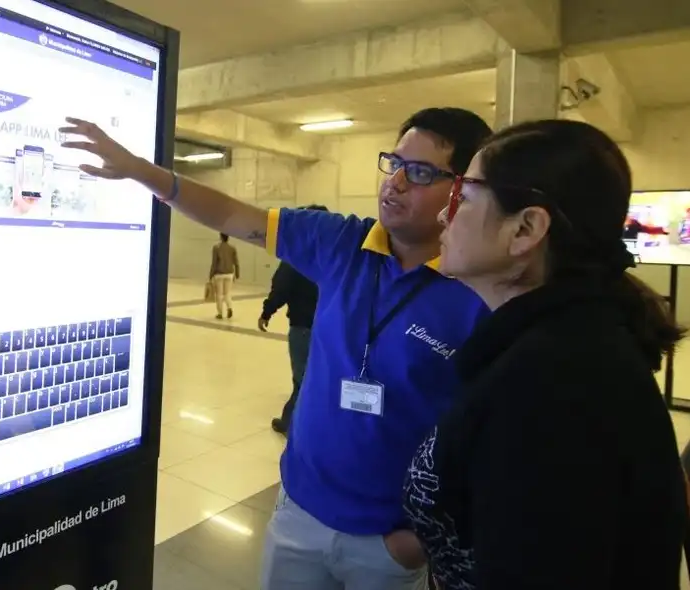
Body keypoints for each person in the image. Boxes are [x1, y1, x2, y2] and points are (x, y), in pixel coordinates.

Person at [60, 107, 493, 590]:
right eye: (393, 163)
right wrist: (143, 171)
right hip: (298, 515)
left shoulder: (480, 291)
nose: (395, 183)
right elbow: (230, 214)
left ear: (462, 190)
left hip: (388, 544)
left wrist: (412, 542)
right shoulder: (341, 242)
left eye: (419, 173)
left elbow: (493, 443)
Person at [402, 119, 688, 590]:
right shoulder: (561, 343)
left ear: (526, 229)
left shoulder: (552, 388)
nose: (441, 218)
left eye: (462, 199)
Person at [258, 205, 326, 435]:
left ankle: (292, 423)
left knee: (302, 379)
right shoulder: (333, 255)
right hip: (330, 329)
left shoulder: (296, 256)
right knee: (319, 377)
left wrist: (267, 312)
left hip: (303, 328)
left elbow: (281, 289)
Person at [210, 233, 239, 319]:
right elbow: (236, 262)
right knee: (227, 293)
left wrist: (211, 274)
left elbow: (214, 263)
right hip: (229, 274)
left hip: (219, 274)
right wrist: (237, 273)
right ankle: (229, 307)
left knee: (219, 294)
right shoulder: (232, 248)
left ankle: (220, 313)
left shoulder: (216, 248)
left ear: (221, 237)